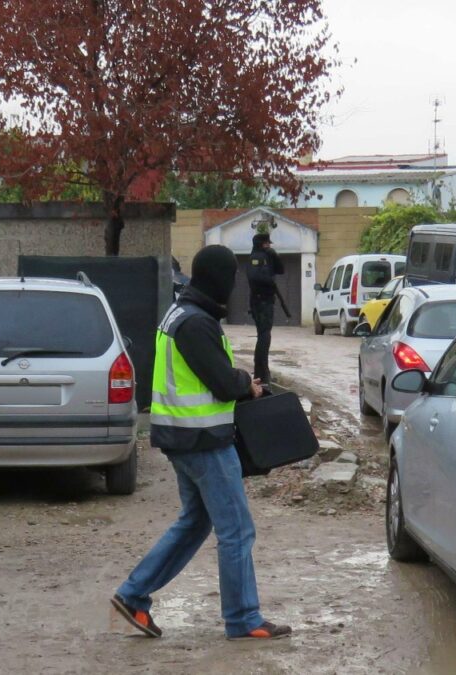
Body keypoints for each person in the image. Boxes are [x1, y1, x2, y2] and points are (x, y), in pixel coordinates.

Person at [111, 245, 291, 641]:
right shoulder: (195, 323)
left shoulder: (183, 315)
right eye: (230, 278)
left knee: (195, 523)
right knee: (238, 531)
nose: (233, 286)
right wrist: (248, 384)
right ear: (218, 280)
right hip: (204, 441)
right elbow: (223, 383)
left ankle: (134, 594)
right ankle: (244, 618)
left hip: (186, 439)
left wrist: (242, 383)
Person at [246, 233, 283, 384]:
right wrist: (270, 282)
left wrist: (275, 256)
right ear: (262, 244)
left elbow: (281, 270)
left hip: (267, 300)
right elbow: (254, 277)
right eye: (267, 244)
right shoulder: (256, 257)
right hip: (260, 301)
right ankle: (261, 372)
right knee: (264, 336)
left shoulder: (268, 256)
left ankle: (262, 372)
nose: (270, 246)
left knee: (265, 336)